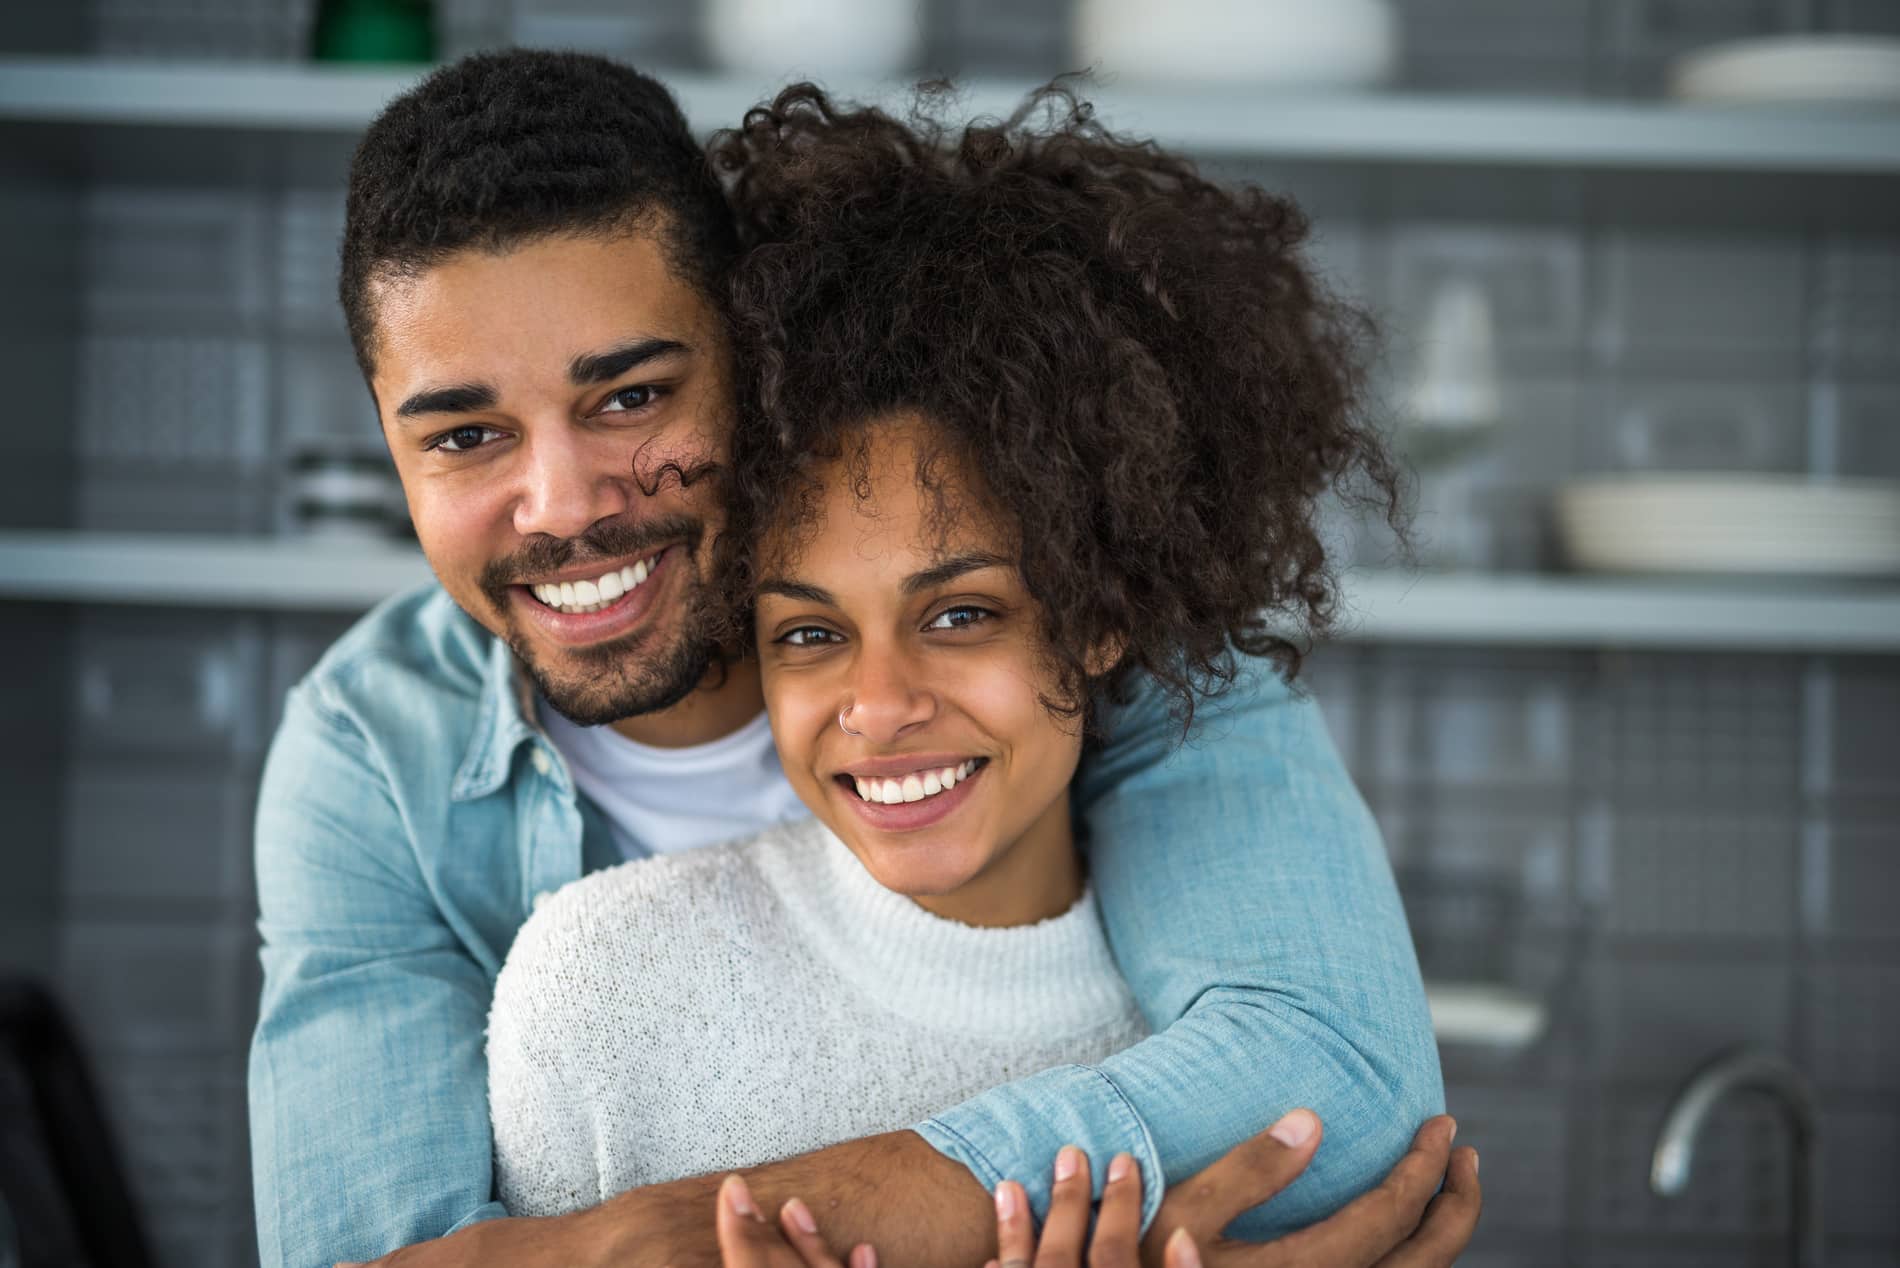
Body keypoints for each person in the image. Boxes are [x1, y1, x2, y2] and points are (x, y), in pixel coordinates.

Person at [249, 50, 1450, 1268]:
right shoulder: (372, 754)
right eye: (464, 434)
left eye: (628, 398)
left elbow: (1336, 1080)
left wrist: (669, 1234)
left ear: (750, 355)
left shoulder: (1087, 599)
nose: (560, 506)